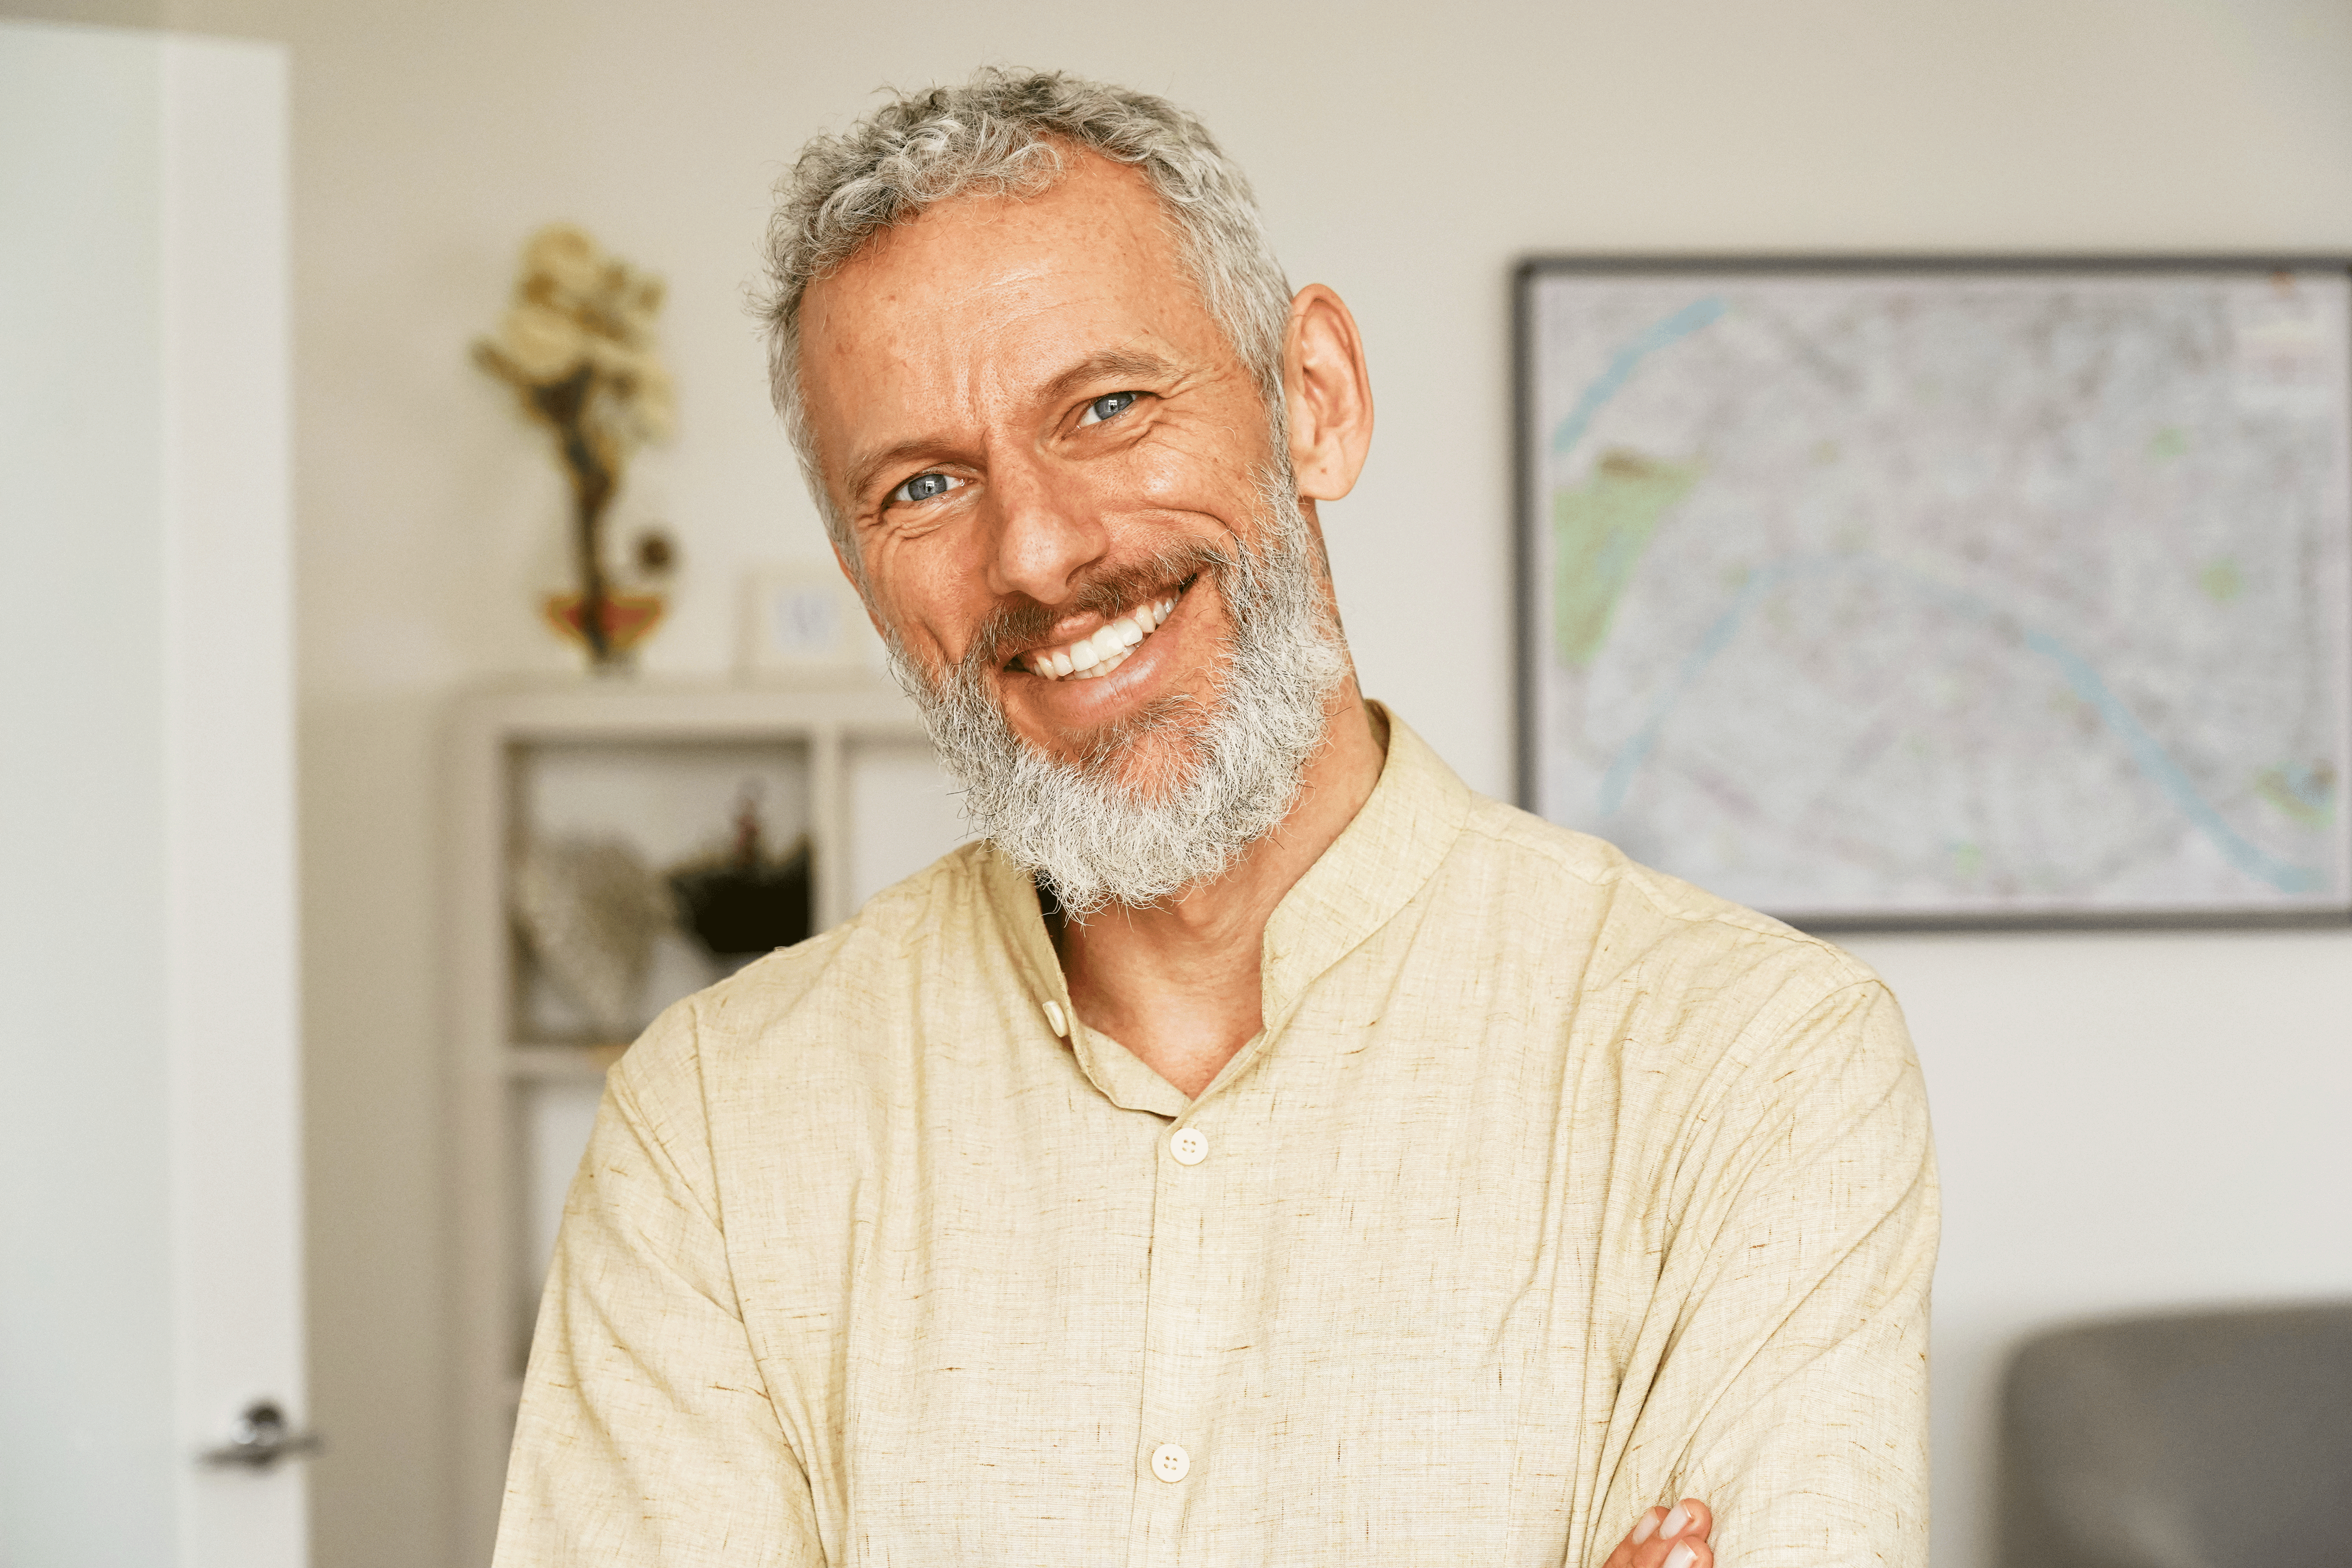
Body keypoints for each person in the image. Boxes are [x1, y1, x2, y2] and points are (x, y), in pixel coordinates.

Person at [494, 68, 1936, 1568]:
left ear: (1314, 400)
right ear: (865, 575)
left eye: (1108, 408)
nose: (1041, 554)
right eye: (925, 485)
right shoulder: (715, 1133)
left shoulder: (1753, 1063)